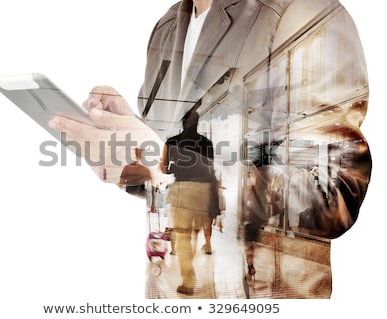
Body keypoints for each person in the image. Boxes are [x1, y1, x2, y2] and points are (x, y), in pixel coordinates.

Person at [48, 0, 371, 298]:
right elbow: (168, 175)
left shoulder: (301, 12)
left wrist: (168, 161)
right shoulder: (171, 24)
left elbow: (330, 197)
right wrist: (132, 160)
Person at [160, 110, 219, 295]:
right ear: (197, 123)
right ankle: (190, 272)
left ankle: (188, 282)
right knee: (193, 233)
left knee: (183, 237)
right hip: (202, 192)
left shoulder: (171, 142)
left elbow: (164, 168)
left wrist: (173, 165)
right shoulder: (207, 143)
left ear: (183, 122)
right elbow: (210, 168)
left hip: (182, 191)